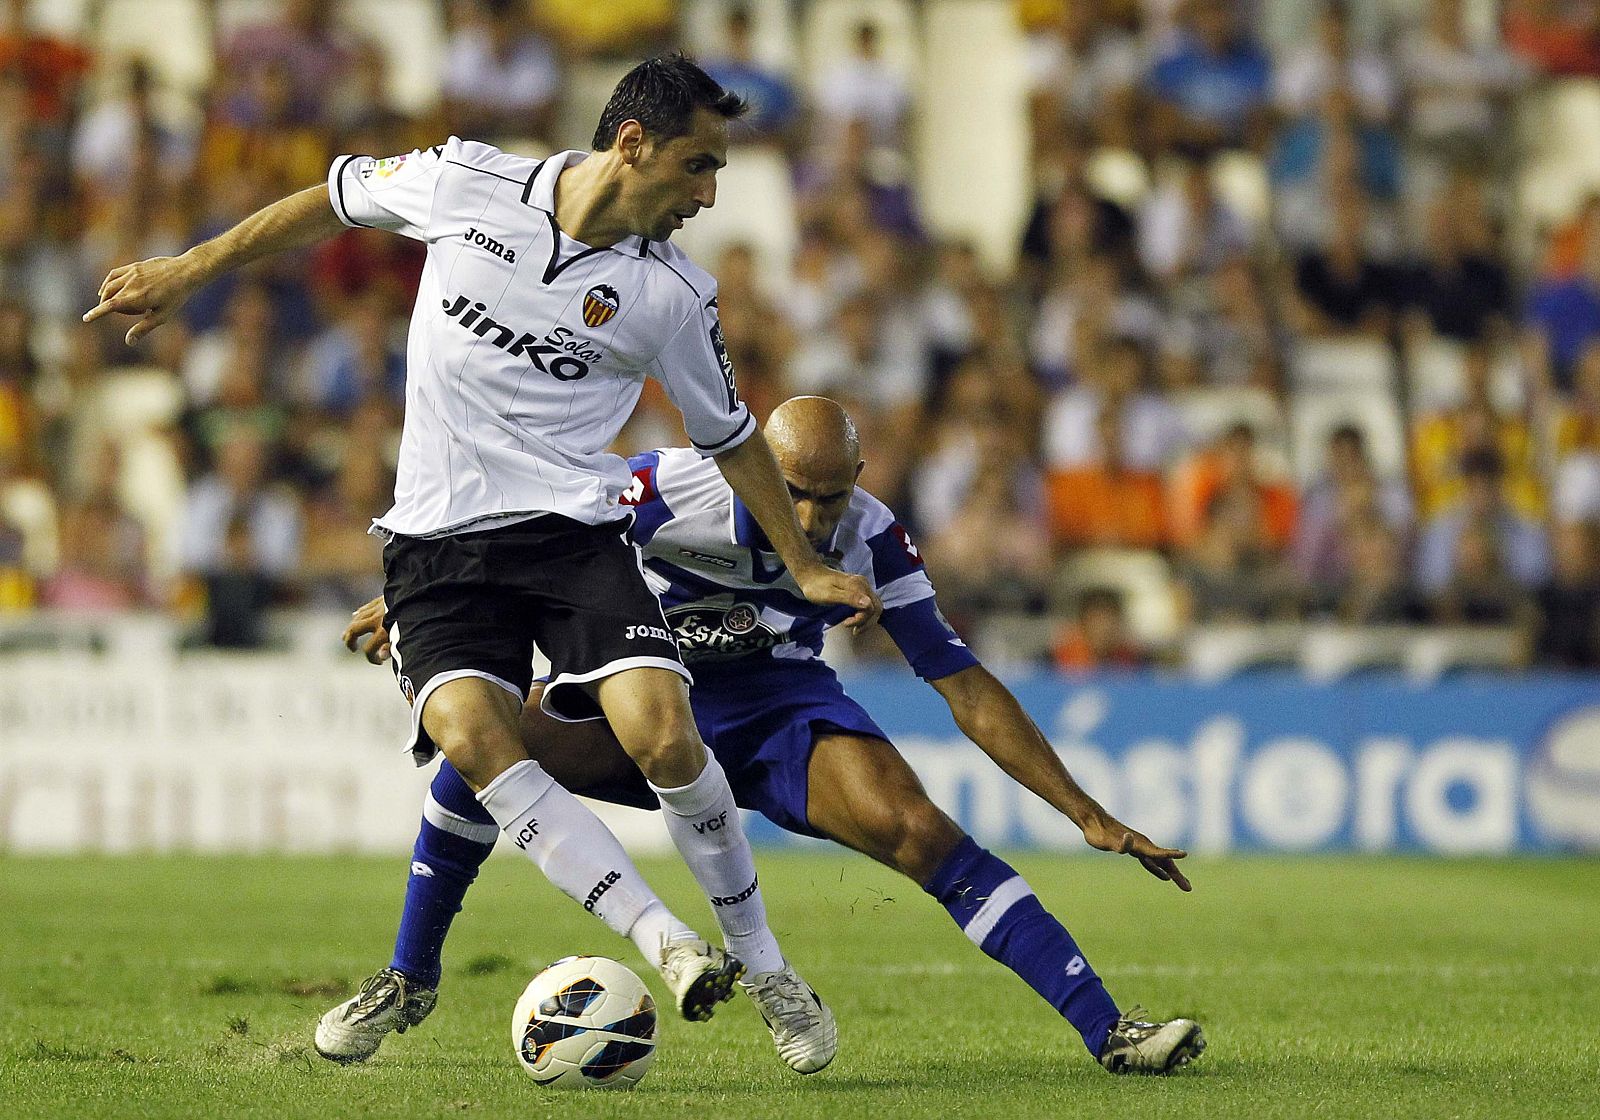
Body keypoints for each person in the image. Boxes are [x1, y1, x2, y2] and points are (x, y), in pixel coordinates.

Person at [84, 56, 880, 1074]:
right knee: (471, 738)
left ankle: (765, 967)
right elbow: (329, 200)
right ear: (630, 143)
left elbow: (729, 435)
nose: (709, 193)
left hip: (570, 538)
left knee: (665, 733)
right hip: (436, 545)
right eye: (696, 165)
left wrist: (806, 566)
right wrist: (187, 271)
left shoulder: (673, 295)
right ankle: (665, 944)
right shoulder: (467, 183)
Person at [340, 397, 1206, 1076]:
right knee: (479, 755)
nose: (815, 515)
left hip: (777, 711)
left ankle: (1111, 1029)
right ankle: (410, 978)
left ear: (860, 476)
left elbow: (964, 686)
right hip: (644, 694)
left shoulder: (874, 536)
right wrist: (419, 599)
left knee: (922, 833)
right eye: (793, 491)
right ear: (750, 464)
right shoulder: (661, 491)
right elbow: (517, 529)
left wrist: (1085, 814)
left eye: (831, 495)